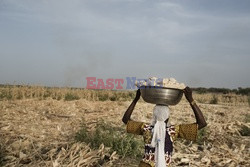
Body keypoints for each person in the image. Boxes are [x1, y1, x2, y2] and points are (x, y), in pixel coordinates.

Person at [122, 87, 207, 167]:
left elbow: (126, 119)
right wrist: (191, 100)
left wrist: (135, 99)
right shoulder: (173, 131)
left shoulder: (146, 128)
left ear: (154, 116)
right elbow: (202, 123)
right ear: (167, 117)